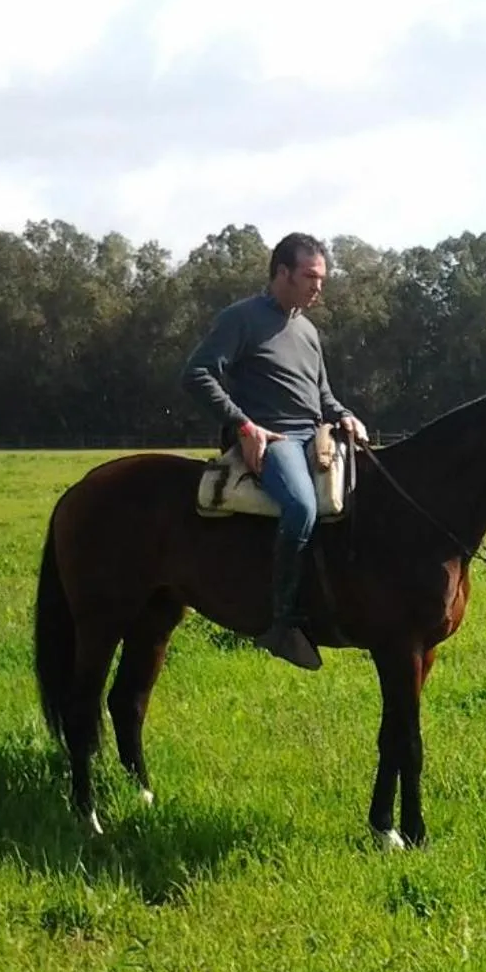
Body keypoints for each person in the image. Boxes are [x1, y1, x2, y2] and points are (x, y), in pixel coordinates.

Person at [182, 232, 368, 671]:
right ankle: (281, 622)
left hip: (315, 436)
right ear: (282, 273)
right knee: (301, 507)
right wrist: (243, 426)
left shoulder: (308, 330)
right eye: (310, 277)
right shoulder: (241, 318)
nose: (318, 287)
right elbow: (197, 374)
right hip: (274, 438)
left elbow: (323, 395)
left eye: (321, 278)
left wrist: (345, 415)